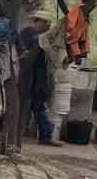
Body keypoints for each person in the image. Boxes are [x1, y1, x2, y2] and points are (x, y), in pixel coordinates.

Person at [17, 10, 65, 146]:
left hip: (38, 77)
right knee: (22, 104)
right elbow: (25, 54)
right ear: (40, 21)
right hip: (26, 75)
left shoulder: (42, 36)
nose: (49, 26)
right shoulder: (27, 33)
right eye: (47, 23)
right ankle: (16, 134)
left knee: (38, 106)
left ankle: (45, 135)